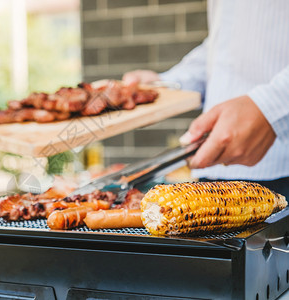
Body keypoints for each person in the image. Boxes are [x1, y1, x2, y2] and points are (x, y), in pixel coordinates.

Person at [123, 0, 289, 197]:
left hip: (279, 168)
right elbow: (227, 46)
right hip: (211, 175)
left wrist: (272, 107)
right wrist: (164, 85)